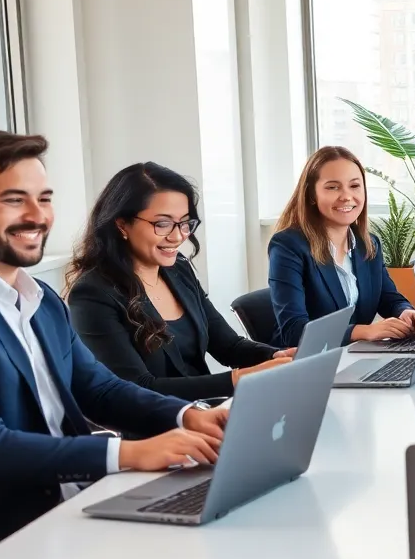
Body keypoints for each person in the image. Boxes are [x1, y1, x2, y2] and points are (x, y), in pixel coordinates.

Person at [0, 129, 229, 559]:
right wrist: (129, 453)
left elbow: (99, 388)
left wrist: (187, 416)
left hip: (76, 513)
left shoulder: (39, 297)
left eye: (44, 198)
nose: (37, 215)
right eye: (13, 200)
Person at [66, 162, 294, 402]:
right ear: (122, 225)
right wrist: (239, 379)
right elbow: (137, 389)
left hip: (210, 412)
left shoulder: (178, 269)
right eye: (162, 224)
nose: (177, 236)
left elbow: (229, 346)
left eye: (184, 223)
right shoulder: (93, 294)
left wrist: (281, 357)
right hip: (160, 429)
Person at [268, 146, 415, 347]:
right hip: (307, 364)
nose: (346, 196)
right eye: (333, 187)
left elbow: (388, 298)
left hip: (352, 357)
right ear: (311, 195)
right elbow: (294, 331)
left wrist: (405, 312)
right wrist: (363, 331)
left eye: (354, 186)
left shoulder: (368, 244)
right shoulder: (288, 246)